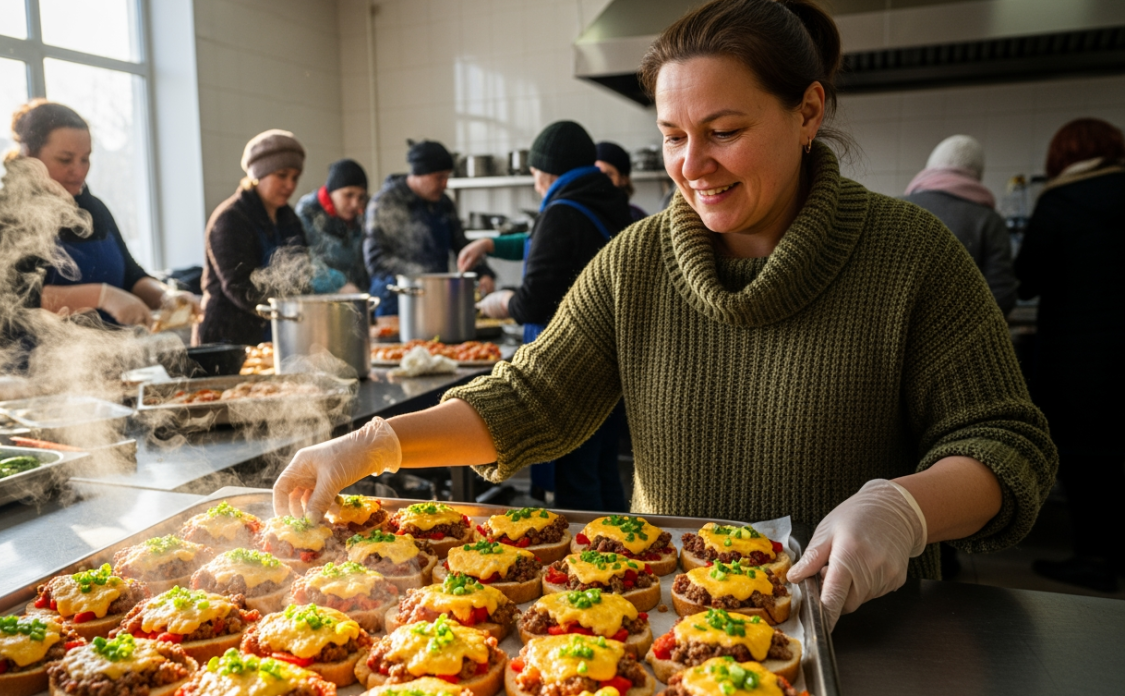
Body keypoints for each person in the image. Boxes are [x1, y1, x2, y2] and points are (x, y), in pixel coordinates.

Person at [273, 0, 1056, 628]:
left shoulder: (909, 253)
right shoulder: (639, 261)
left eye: (725, 132)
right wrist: (375, 446)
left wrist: (905, 508)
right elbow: (529, 401)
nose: (692, 165)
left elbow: (1006, 445)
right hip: (664, 628)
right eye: (673, 137)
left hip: (869, 630)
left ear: (809, 111)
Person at [466, 121, 632, 511]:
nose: (536, 183)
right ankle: (625, 552)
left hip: (570, 370)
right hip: (612, 365)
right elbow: (541, 245)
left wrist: (502, 301)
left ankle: (591, 564)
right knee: (604, 472)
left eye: (535, 174)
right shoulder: (605, 202)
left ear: (546, 172)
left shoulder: (561, 211)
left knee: (575, 481)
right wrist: (491, 243)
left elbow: (535, 302)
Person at [0, 100, 196, 355]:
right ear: (29, 155)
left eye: (85, 159)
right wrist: (101, 296)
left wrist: (166, 296)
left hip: (109, 364)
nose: (78, 171)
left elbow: (131, 275)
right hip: (27, 373)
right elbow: (14, 297)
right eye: (65, 159)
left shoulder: (94, 209)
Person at [1016, 118, 1125, 592]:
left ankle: (1095, 558)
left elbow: (1029, 275)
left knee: (1087, 459)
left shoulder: (1059, 202)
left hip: (1083, 354)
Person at [198, 129, 346, 346]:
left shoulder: (289, 219)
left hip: (279, 334)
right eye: (282, 175)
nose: (290, 185)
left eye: (295, 177)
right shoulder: (230, 219)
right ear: (258, 174)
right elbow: (240, 287)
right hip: (229, 339)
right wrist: (291, 308)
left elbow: (302, 271)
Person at [363, 140, 494, 316]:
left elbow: (462, 245)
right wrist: (426, 279)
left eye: (447, 177)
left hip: (437, 299)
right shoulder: (386, 203)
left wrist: (483, 272)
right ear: (418, 174)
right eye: (439, 177)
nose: (445, 184)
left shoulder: (444, 203)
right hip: (395, 303)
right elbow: (376, 260)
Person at [903, 135, 1017, 314]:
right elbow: (1001, 295)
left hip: (892, 334)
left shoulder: (898, 209)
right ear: (977, 173)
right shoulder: (988, 220)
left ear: (930, 166)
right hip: (963, 335)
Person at [295, 159, 370, 292]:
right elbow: (305, 263)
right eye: (348, 195)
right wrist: (340, 284)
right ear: (331, 192)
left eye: (360, 197)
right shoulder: (307, 214)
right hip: (321, 303)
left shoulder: (362, 217)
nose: (355, 203)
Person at [595, 141, 649, 221]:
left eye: (608, 174)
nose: (600, 180)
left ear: (623, 179)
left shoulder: (635, 218)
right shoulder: (583, 216)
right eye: (595, 173)